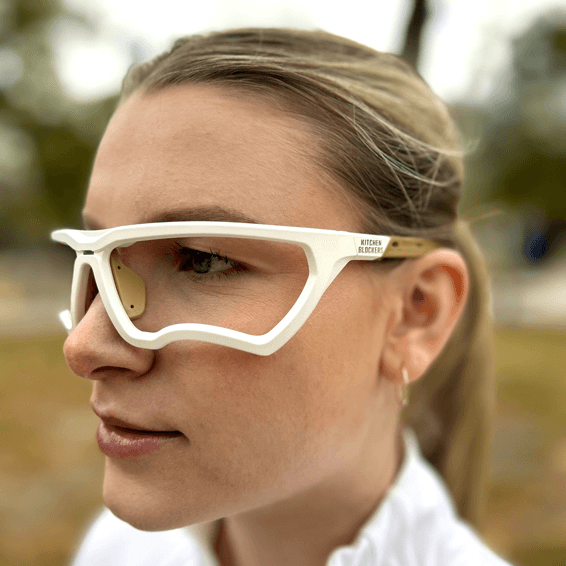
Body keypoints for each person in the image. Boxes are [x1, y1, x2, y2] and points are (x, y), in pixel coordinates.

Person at [54, 27, 515, 566]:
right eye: (96, 256)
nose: (83, 347)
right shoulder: (118, 551)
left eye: (203, 259)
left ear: (415, 314)